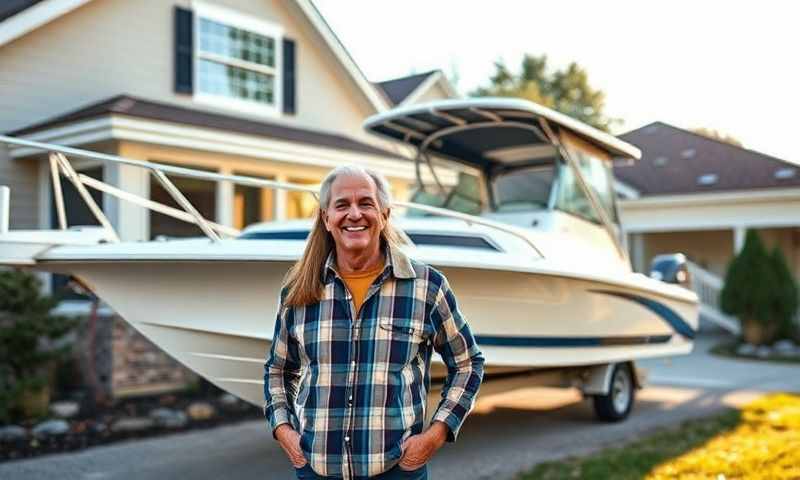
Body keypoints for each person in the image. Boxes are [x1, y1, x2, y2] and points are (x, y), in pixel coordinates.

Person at [264, 165, 484, 479]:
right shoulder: (298, 292)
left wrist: (436, 435)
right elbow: (278, 370)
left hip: (397, 470)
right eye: (342, 205)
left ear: (384, 215)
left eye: (365, 203)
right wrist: (284, 432)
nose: (354, 214)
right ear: (327, 219)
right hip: (317, 470)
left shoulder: (427, 287)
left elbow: (467, 363)